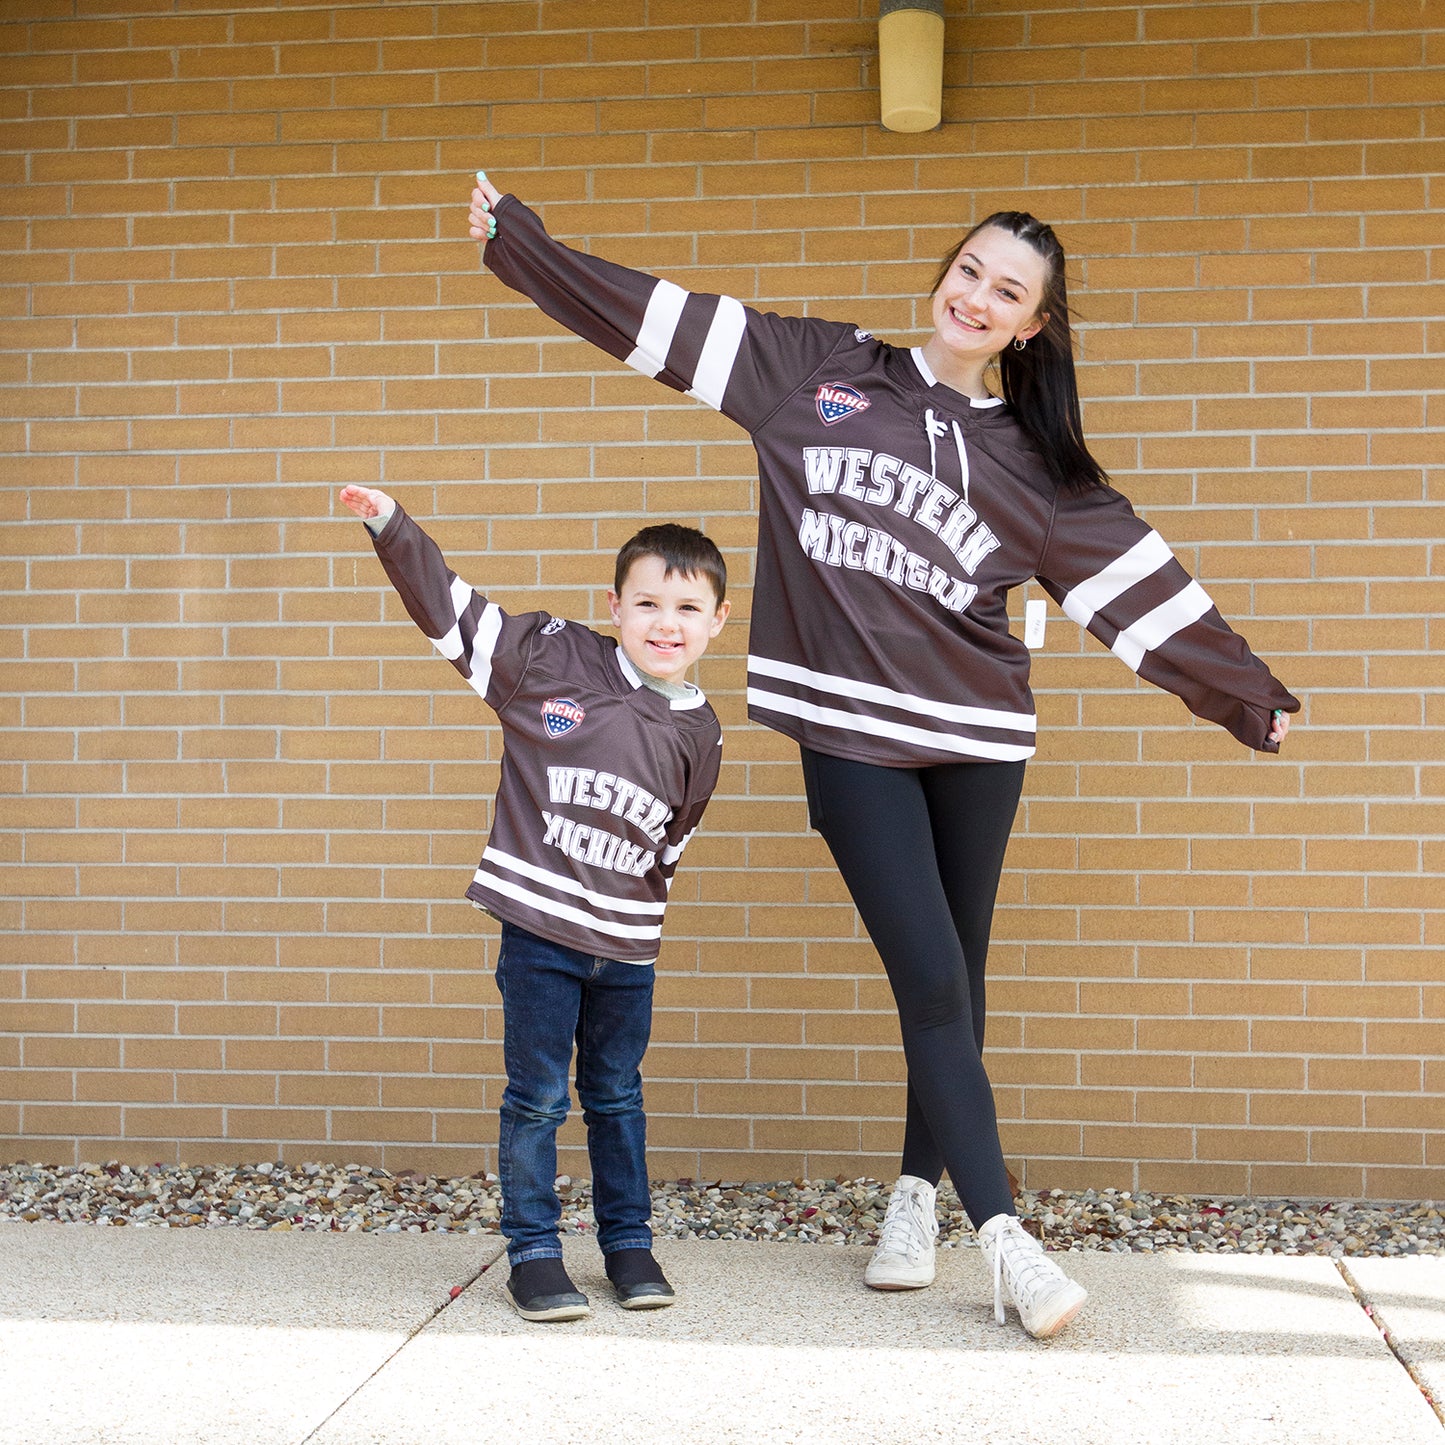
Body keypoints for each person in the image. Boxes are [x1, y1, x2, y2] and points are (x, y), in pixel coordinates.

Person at [465, 175, 1298, 1340]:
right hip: (849, 730)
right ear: (945, 273)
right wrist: (524, 248)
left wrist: (1243, 696)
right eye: (969, 270)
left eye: (1007, 291)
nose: (976, 295)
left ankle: (914, 1199)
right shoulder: (814, 370)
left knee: (953, 976)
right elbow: (656, 321)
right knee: (931, 973)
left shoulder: (1036, 465)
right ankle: (1005, 1236)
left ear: (1029, 326)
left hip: (977, 736)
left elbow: (1137, 589)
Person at [339, 482, 730, 1322]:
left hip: (626, 948)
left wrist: (631, 919)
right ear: (615, 607)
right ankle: (533, 1252)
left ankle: (628, 1244)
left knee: (618, 1094)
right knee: (538, 1097)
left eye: (688, 607)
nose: (667, 622)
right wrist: (391, 525)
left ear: (716, 622)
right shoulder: (550, 659)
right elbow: (452, 615)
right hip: (541, 934)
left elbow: (674, 839)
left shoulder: (702, 731)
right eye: (648, 601)